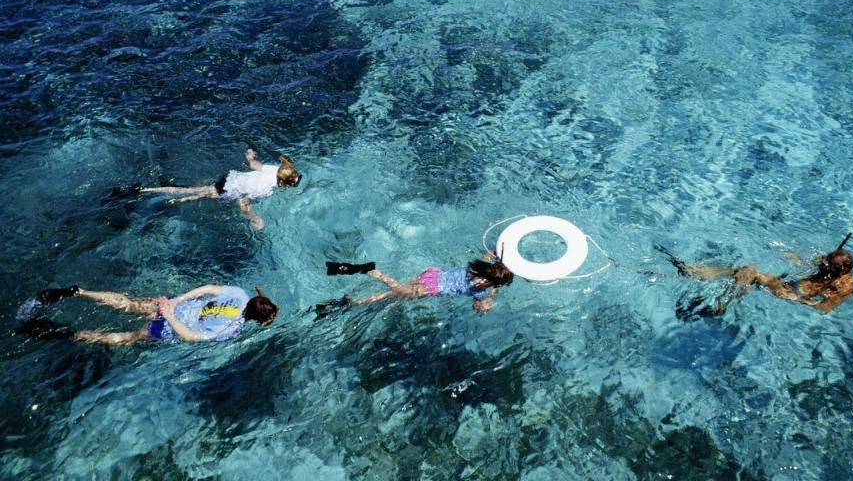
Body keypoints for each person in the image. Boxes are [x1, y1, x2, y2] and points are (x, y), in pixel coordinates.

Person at [655, 233, 853, 316]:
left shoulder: (845, 286)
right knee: (741, 271)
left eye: (826, 262)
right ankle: (693, 272)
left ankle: (720, 305)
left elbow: (823, 308)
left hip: (793, 291)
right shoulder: (829, 267)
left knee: (749, 274)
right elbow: (808, 264)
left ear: (837, 269)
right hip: (791, 282)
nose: (822, 262)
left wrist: (799, 299)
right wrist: (792, 257)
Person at [16, 283, 278, 345]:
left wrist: (174, 302)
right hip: (165, 326)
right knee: (126, 337)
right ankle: (65, 333)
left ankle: (78, 292)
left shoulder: (240, 293)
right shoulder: (231, 330)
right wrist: (170, 315)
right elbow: (190, 337)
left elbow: (207, 289)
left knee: (127, 304)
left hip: (175, 306)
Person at [137, 149, 301, 230]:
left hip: (229, 177)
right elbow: (243, 204)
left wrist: (250, 154)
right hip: (226, 188)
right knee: (189, 194)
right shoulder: (265, 189)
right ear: (283, 182)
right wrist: (255, 219)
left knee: (195, 191)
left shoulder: (275, 169)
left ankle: (153, 191)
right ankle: (149, 191)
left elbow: (252, 164)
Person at [315, 252, 514, 318]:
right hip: (430, 288)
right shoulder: (482, 288)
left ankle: (351, 303)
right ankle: (370, 271)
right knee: (397, 290)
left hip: (431, 274)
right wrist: (488, 302)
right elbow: (479, 307)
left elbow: (485, 260)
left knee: (393, 297)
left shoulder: (481, 271)